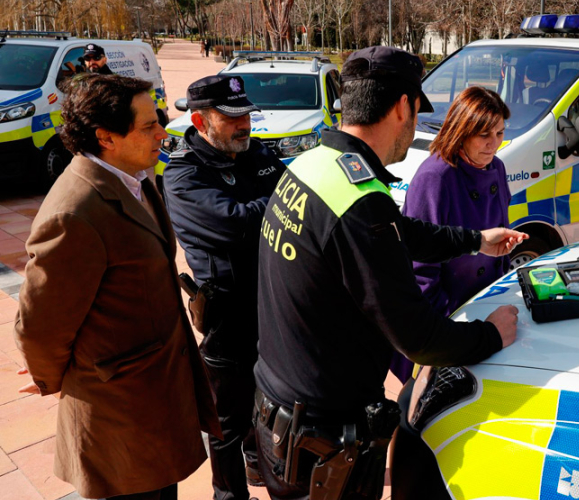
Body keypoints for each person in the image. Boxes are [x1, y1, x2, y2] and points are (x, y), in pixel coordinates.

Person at [253, 46, 526, 500]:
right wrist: (490, 336)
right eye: (418, 111)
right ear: (403, 106)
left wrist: (475, 240)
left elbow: (400, 231)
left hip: (281, 406)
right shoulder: (360, 201)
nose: (417, 124)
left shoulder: (314, 164)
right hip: (324, 438)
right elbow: (417, 336)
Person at [14, 73, 220, 500]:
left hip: (153, 403)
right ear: (106, 137)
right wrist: (51, 375)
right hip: (119, 418)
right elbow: (40, 324)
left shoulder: (133, 177)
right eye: (148, 126)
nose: (163, 132)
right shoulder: (75, 212)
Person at [164, 75, 285, 500]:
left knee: (272, 404)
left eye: (246, 114)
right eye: (231, 117)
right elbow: (236, 225)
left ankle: (259, 464)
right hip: (227, 316)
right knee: (227, 422)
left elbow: (277, 202)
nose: (244, 124)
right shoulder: (182, 176)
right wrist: (281, 206)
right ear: (200, 120)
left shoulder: (257, 153)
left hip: (273, 303)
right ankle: (228, 494)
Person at [392, 86, 512, 382]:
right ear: (461, 132)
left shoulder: (497, 168)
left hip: (485, 304)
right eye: (484, 135)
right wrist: (450, 324)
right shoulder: (434, 177)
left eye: (499, 133)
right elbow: (420, 270)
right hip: (448, 318)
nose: (493, 144)